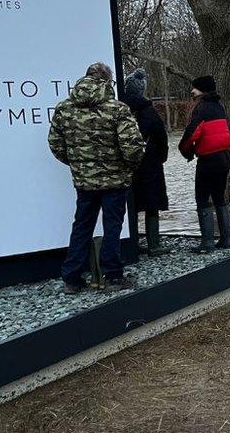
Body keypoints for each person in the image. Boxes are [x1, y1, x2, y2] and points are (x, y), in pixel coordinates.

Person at [48, 62, 145, 294]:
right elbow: (132, 147)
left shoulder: (64, 109)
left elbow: (55, 144)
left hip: (84, 181)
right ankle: (112, 276)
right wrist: (128, 167)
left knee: (81, 225)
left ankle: (71, 279)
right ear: (107, 81)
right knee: (112, 226)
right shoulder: (117, 109)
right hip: (115, 180)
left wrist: (79, 164)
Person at [178, 75, 230, 254]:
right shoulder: (220, 106)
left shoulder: (201, 109)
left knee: (202, 200)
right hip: (224, 159)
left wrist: (187, 152)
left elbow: (190, 135)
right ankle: (226, 239)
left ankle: (207, 243)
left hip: (207, 161)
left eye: (194, 88)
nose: (191, 91)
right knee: (220, 199)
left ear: (201, 90)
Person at [122, 68, 169, 256]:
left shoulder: (120, 108)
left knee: (131, 205)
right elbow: (161, 136)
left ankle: (133, 244)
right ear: (142, 89)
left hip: (126, 165)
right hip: (149, 164)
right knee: (152, 205)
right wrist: (161, 157)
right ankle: (154, 245)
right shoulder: (149, 111)